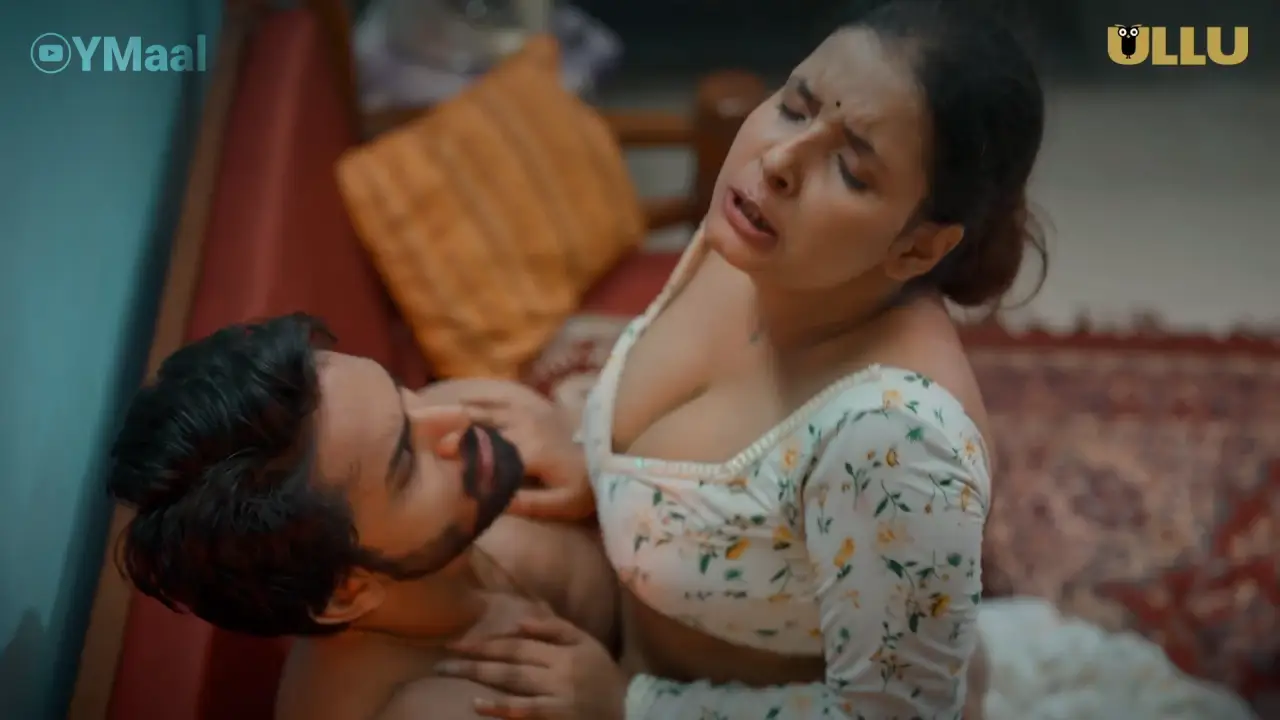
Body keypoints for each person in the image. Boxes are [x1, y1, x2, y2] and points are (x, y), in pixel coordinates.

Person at [430, 1, 1044, 718]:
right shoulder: (757, 239)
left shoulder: (902, 442)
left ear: (918, 247)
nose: (778, 161)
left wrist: (629, 705)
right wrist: (593, 460)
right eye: (793, 107)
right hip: (619, 627)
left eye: (850, 169)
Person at [106, 313, 619, 720]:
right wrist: (625, 708)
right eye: (406, 464)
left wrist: (595, 455)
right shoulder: (448, 707)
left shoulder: (433, 427)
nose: (457, 416)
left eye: (398, 390)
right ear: (347, 591)